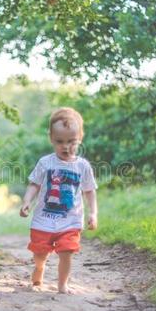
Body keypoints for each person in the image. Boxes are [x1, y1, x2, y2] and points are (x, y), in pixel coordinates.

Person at [19, 107, 98, 294]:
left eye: (71, 141)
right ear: (51, 139)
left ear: (80, 138)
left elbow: (89, 191)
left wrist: (93, 213)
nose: (65, 146)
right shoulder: (45, 163)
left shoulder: (83, 166)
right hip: (43, 221)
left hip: (70, 221)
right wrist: (27, 202)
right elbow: (34, 185)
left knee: (67, 252)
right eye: (59, 141)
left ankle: (62, 285)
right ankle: (38, 272)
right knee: (40, 255)